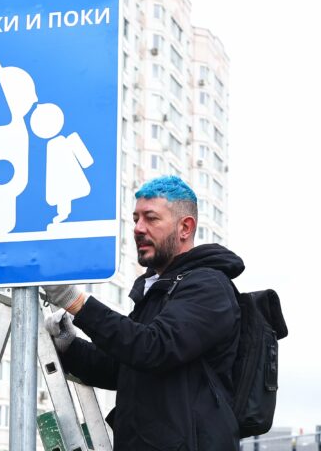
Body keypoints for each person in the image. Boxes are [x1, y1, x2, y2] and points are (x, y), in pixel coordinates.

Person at [41, 175, 243, 451]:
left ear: (185, 227)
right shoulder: (158, 290)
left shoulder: (208, 287)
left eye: (151, 218)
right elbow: (118, 368)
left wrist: (75, 301)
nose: (137, 228)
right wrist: (69, 345)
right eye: (136, 218)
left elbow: (154, 348)